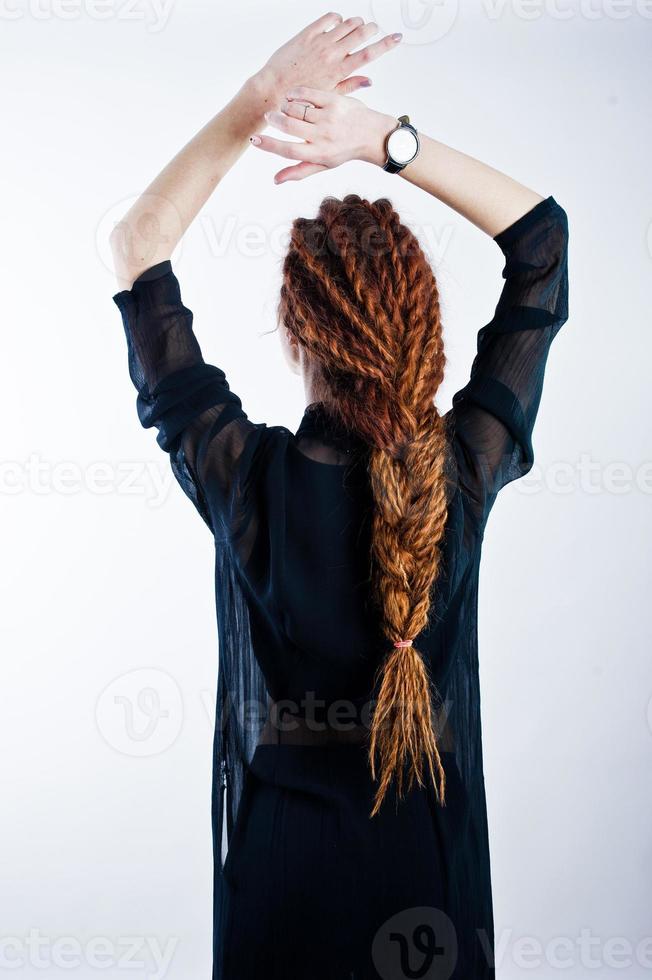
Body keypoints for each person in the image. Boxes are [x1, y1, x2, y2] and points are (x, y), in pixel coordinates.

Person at [110, 12, 569, 980]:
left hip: (276, 915)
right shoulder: (462, 472)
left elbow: (137, 243)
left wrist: (258, 94)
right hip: (428, 922)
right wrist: (381, 141)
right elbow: (542, 244)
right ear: (421, 329)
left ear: (296, 336)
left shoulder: (244, 477)